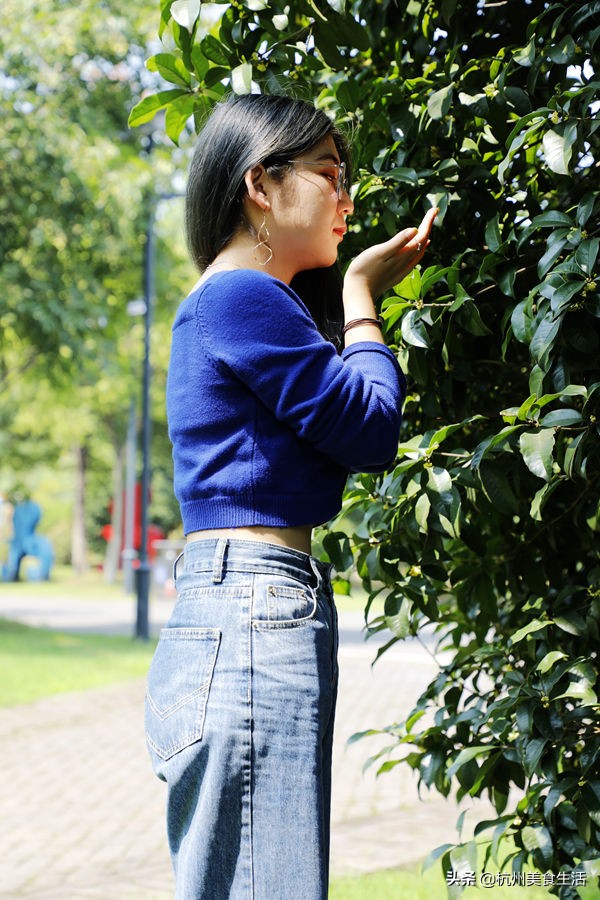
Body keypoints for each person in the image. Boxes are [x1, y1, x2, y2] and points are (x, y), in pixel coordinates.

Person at [144, 93, 437, 900]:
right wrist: (361, 296)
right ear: (260, 187)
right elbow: (370, 430)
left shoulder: (247, 304)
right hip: (252, 611)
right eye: (328, 173)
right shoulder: (241, 298)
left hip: (247, 609)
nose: (346, 196)